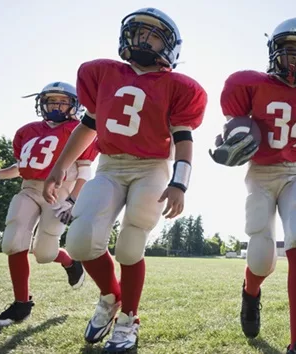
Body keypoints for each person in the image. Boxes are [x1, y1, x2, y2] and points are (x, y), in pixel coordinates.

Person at [42, 8, 207, 352]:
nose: (144, 39)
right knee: (80, 241)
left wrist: (180, 182)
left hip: (152, 167)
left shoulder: (177, 87)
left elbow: (183, 139)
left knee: (131, 246)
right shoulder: (103, 73)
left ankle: (129, 319)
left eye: (154, 35)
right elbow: (87, 126)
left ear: (170, 46)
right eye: (139, 32)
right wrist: (60, 167)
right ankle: (110, 297)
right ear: (126, 36)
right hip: (111, 165)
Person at [211, 17, 296, 354]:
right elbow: (234, 128)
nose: (295, 58)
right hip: (260, 172)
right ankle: (251, 292)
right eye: (288, 50)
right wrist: (226, 143)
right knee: (261, 255)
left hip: (295, 171)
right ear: (274, 51)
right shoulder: (248, 84)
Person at [0, 81, 97, 327]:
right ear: (42, 103)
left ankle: (71, 262)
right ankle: (21, 304)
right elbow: (22, 168)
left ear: (74, 105)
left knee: (44, 253)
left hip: (60, 193)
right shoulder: (27, 131)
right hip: (28, 189)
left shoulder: (79, 130)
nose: (56, 106)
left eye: (62, 101)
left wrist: (73, 200)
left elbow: (85, 173)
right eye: (51, 100)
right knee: (13, 240)